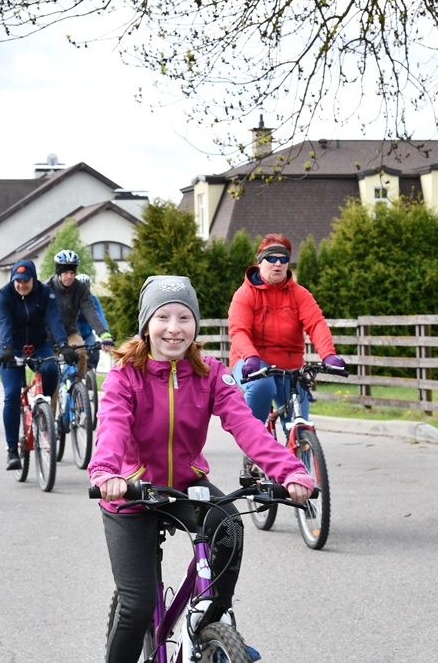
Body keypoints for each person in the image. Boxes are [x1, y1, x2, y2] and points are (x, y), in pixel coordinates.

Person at [89, 275, 315, 663]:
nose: (174, 329)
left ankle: (211, 625)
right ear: (147, 324)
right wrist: (106, 474)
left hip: (185, 485)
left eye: (184, 318)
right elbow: (111, 427)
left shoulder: (211, 373)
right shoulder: (125, 375)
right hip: (131, 491)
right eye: (163, 317)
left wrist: (290, 472)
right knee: (138, 606)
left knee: (228, 525)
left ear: (195, 325)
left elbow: (247, 427)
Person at [227, 234, 346, 422]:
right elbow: (238, 330)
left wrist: (328, 355)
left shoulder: (300, 294)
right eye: (272, 258)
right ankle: (254, 439)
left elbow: (316, 324)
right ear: (259, 261)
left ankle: (302, 448)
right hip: (252, 361)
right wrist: (250, 356)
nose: (278, 264)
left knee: (300, 423)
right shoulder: (245, 294)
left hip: (290, 366)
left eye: (283, 259)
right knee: (262, 386)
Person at [0, 259, 71, 470]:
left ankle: (42, 409)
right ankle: (12, 449)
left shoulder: (46, 294)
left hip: (39, 345)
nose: (21, 285)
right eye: (17, 281)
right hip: (11, 348)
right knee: (11, 395)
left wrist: (64, 345)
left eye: (25, 281)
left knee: (51, 369)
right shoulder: (4, 295)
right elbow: (4, 322)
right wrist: (7, 347)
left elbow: (55, 320)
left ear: (33, 279)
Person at [45, 250, 113, 375]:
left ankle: (78, 388)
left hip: (70, 330)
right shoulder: (47, 288)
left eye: (72, 272)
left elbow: (91, 312)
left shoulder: (81, 288)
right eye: (65, 272)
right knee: (51, 371)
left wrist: (104, 334)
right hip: (48, 333)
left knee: (81, 352)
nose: (69, 276)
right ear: (58, 272)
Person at [75, 272, 110, 371]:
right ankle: (67, 381)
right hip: (73, 333)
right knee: (74, 356)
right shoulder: (71, 299)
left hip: (87, 334)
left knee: (94, 351)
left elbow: (100, 317)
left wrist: (106, 335)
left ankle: (90, 374)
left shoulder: (93, 299)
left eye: (87, 287)